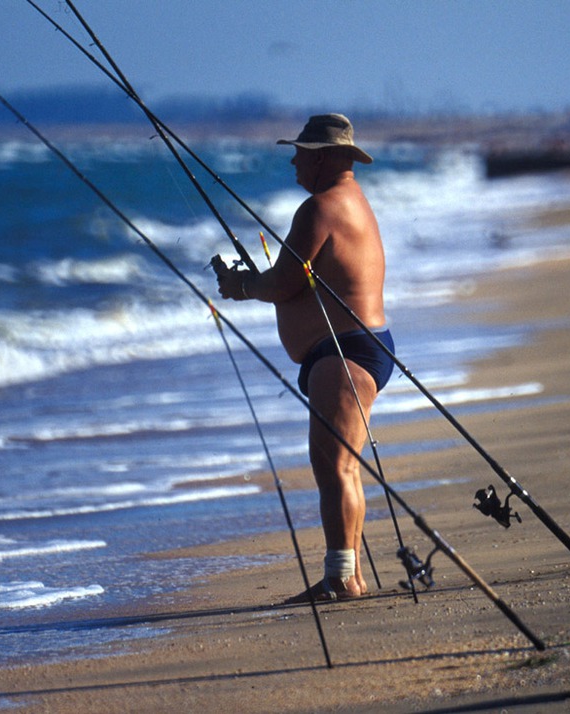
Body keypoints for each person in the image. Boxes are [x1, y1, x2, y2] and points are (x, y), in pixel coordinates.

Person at [216, 113, 395, 603]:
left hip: (345, 353)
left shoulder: (319, 209)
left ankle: (341, 578)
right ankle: (349, 576)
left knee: (333, 466)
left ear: (324, 158)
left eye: (302, 151)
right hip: (358, 350)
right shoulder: (352, 202)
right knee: (344, 467)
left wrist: (242, 285)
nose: (294, 158)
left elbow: (283, 283)